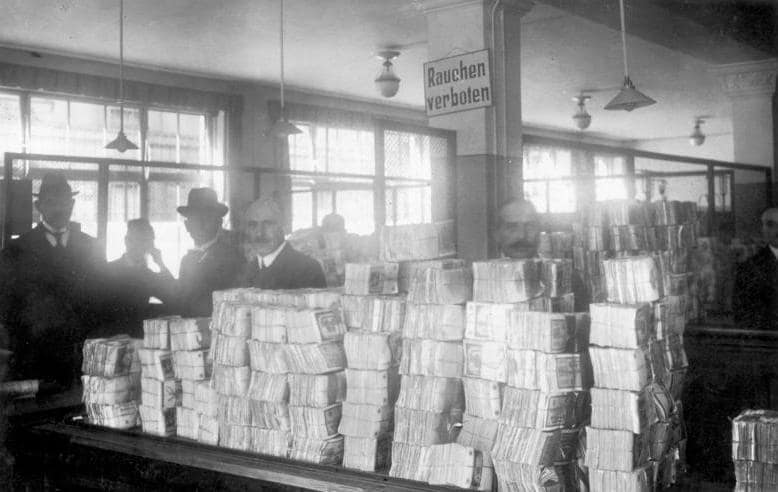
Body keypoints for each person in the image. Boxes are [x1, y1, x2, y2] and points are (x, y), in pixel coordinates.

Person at [0, 172, 104, 387]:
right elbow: (7, 306)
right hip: (33, 359)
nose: (59, 207)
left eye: (64, 201)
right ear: (38, 206)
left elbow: (100, 301)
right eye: (51, 201)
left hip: (81, 359)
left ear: (73, 204)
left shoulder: (91, 248)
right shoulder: (16, 250)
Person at [495, 198, 589, 311]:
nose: (521, 235)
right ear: (496, 234)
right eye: (512, 227)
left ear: (539, 231)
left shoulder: (568, 279)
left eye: (529, 226)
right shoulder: (477, 282)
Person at [176, 188, 243, 317]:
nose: (201, 224)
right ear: (187, 225)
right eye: (195, 218)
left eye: (207, 217)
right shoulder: (186, 261)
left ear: (219, 222)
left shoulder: (232, 259)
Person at [104, 219, 175, 337]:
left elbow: (173, 298)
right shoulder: (108, 271)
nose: (141, 246)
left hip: (137, 339)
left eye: (146, 242)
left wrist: (161, 264)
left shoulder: (148, 275)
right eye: (138, 240)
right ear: (127, 241)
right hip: (111, 338)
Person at [241, 198, 326, 290]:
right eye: (253, 225)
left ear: (284, 227)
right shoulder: (247, 269)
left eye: (268, 224)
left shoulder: (307, 269)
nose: (259, 233)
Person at [733, 207, 778, 331]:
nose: (777, 230)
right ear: (762, 230)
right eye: (770, 225)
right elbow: (742, 314)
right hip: (767, 341)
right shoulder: (749, 267)